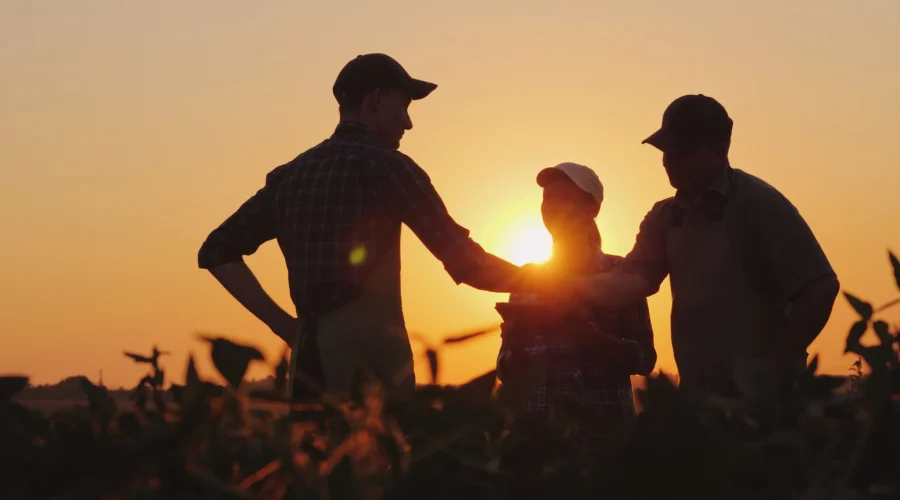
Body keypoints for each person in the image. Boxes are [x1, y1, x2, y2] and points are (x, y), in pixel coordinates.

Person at [197, 53, 526, 400]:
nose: (408, 123)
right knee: (379, 454)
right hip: (374, 379)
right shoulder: (388, 167)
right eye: (404, 106)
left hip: (308, 370)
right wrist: (549, 284)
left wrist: (285, 327)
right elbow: (467, 264)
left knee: (313, 455)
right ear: (377, 99)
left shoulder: (290, 176)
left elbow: (217, 250)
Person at [560, 95, 839, 399]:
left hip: (765, 409)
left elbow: (821, 287)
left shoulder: (758, 205)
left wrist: (773, 366)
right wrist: (564, 287)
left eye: (680, 151)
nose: (668, 160)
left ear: (720, 151)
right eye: (665, 151)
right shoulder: (666, 217)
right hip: (699, 401)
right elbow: (630, 281)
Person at [496, 162, 656, 439]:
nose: (553, 205)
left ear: (591, 208)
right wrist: (516, 341)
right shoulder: (527, 279)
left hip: (604, 434)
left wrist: (590, 337)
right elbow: (505, 370)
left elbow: (644, 359)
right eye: (548, 198)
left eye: (564, 197)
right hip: (537, 438)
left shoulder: (620, 274)